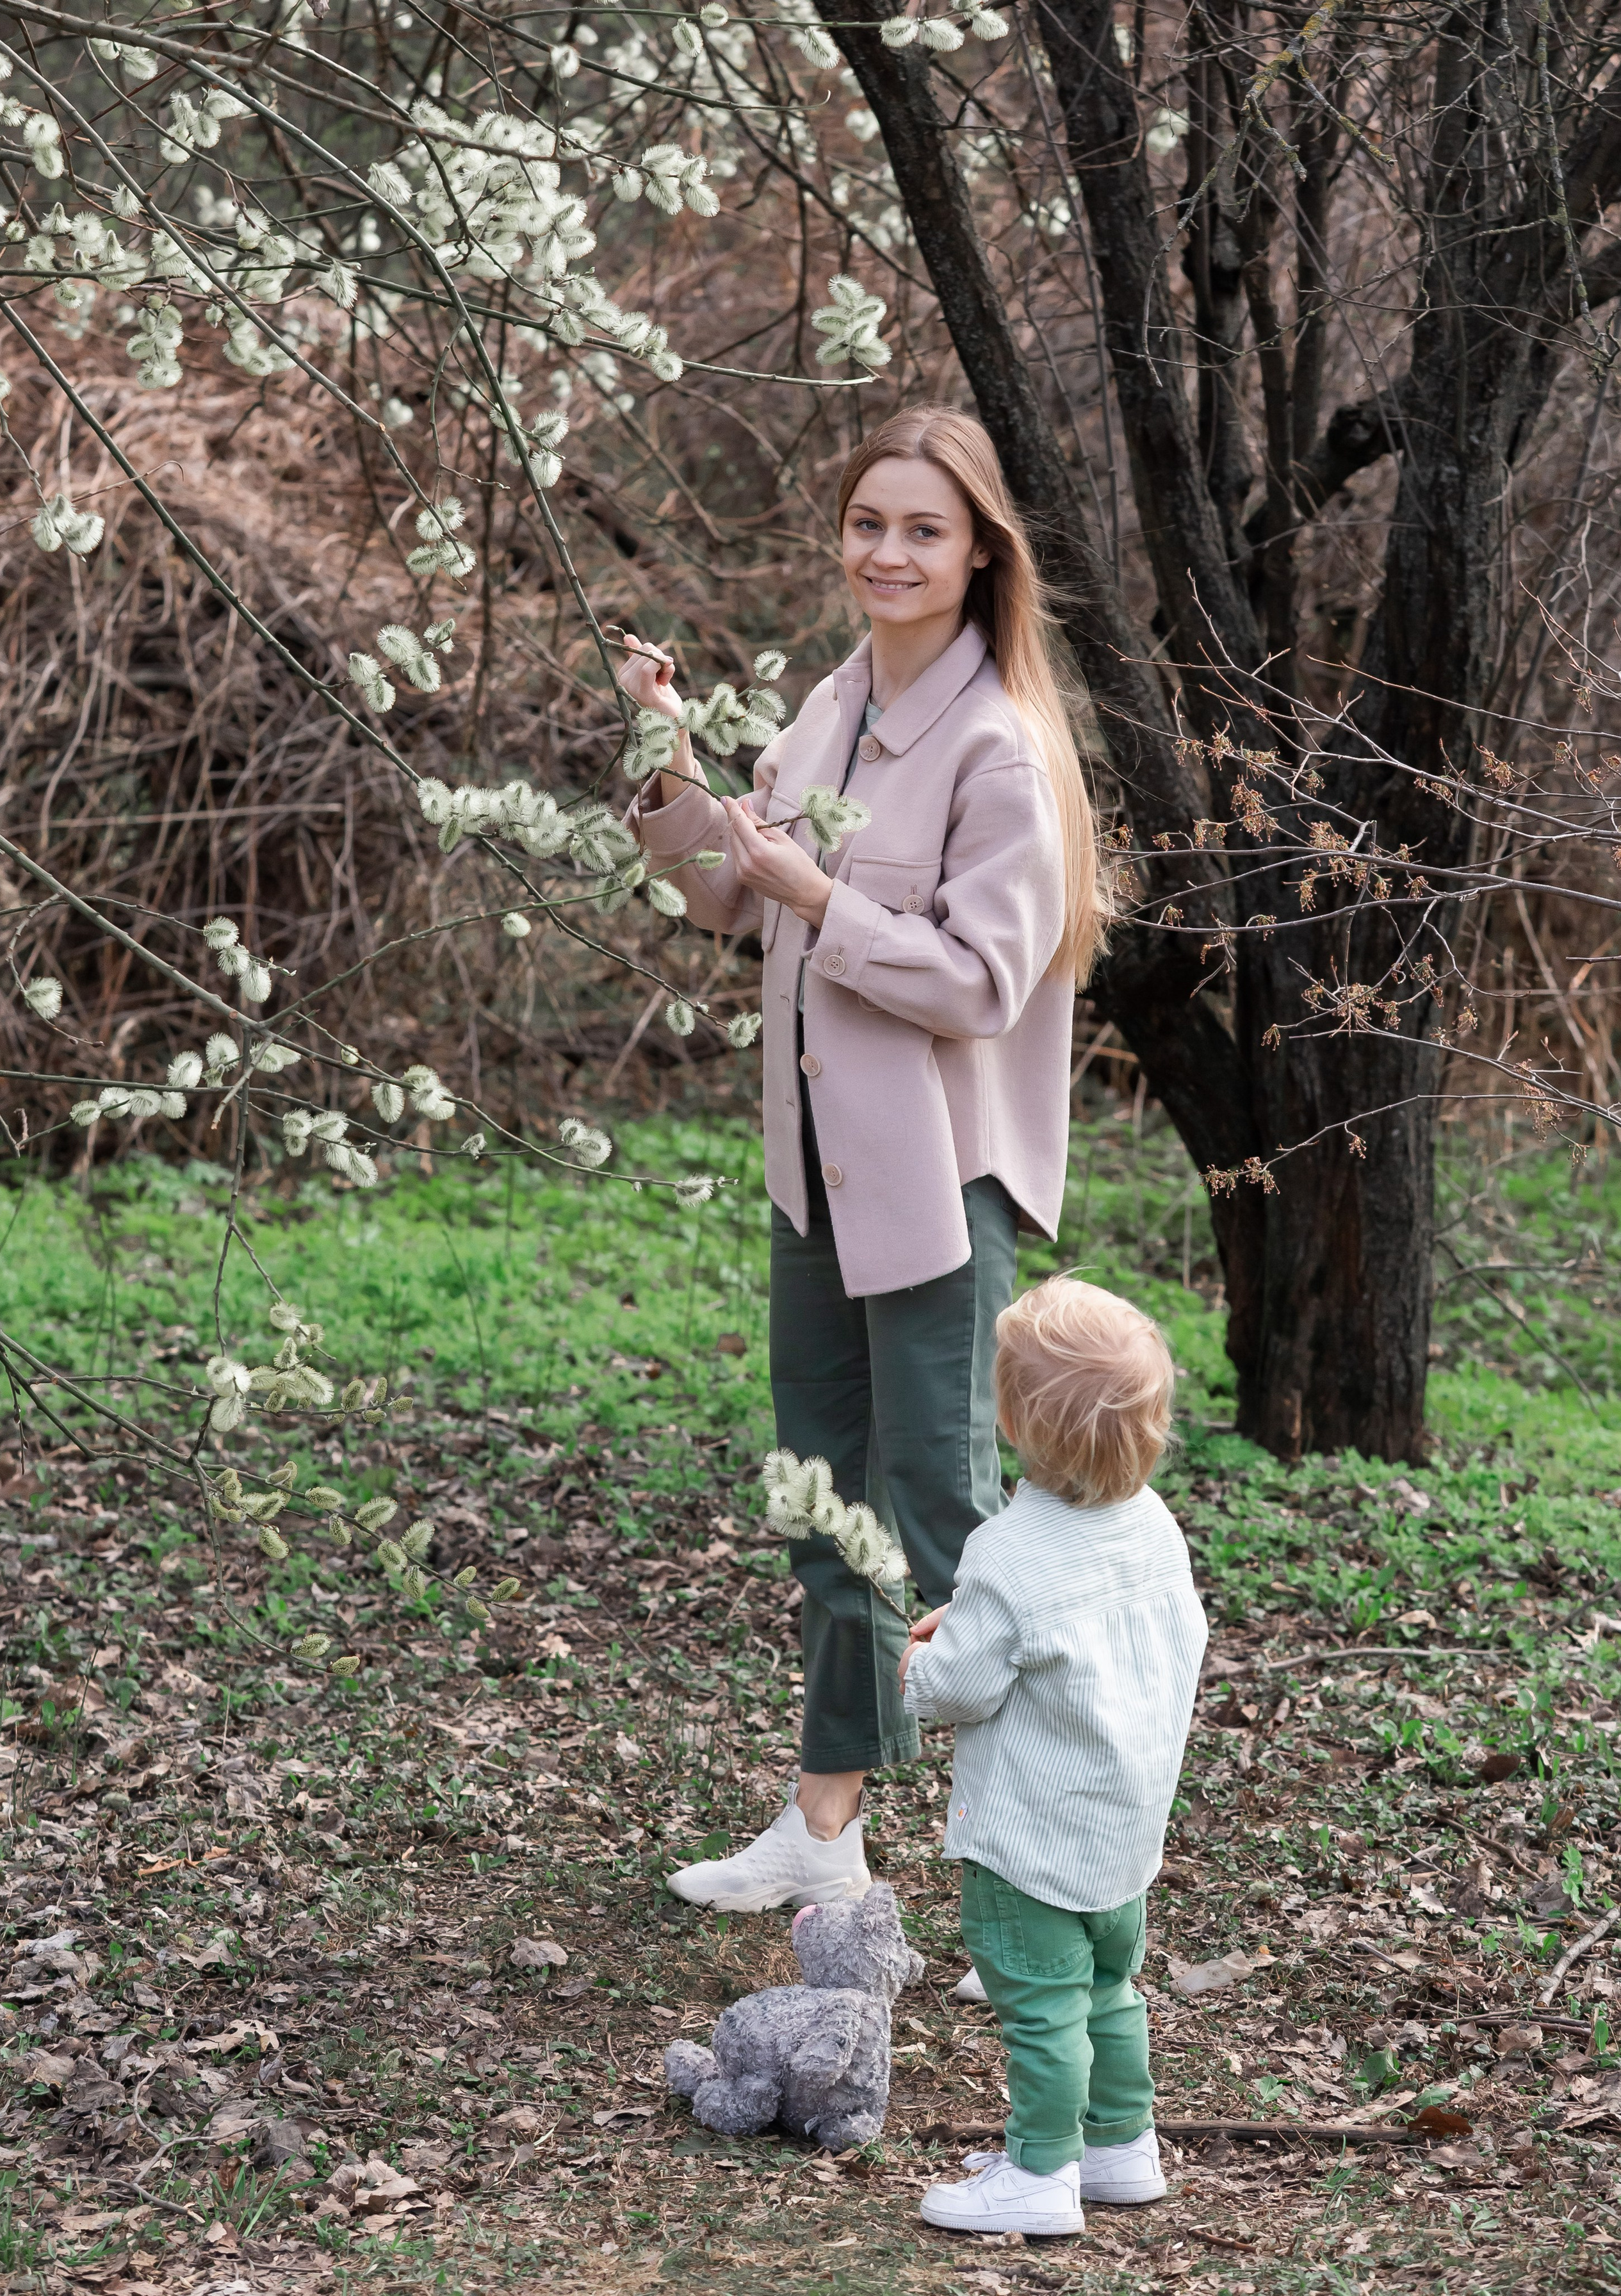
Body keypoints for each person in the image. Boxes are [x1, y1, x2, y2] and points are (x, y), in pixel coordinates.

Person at [617, 404, 1109, 1935]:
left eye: (921, 530)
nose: (885, 553)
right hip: (811, 1170)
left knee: (950, 1517)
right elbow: (723, 898)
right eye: (867, 524)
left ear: (977, 555)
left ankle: (1037, 1872)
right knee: (821, 1494)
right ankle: (826, 1824)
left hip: (939, 1181)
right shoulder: (828, 709)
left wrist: (819, 893)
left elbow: (975, 981)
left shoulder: (998, 746)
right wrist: (668, 758)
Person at [901, 1276, 1206, 2238]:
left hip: (1029, 1845)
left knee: (1042, 2012)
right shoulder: (1153, 1527)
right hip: (1122, 1834)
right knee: (1109, 1991)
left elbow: (960, 1689)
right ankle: (1123, 2146)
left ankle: (1039, 2172)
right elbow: (1131, 1637)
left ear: (1014, 1420)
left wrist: (915, 1661)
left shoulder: (1009, 1549)